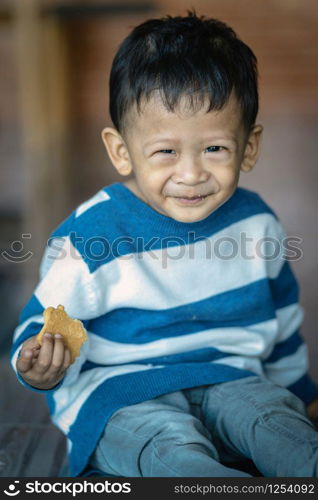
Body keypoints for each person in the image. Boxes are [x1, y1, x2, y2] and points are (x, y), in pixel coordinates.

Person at [11, 10, 318, 478]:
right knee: (172, 455)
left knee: (279, 428)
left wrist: (302, 396)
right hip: (121, 394)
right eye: (166, 151)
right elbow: (41, 321)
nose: (191, 174)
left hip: (232, 379)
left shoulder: (256, 225)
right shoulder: (94, 235)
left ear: (249, 147)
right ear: (121, 151)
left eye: (215, 148)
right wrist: (36, 362)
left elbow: (283, 322)